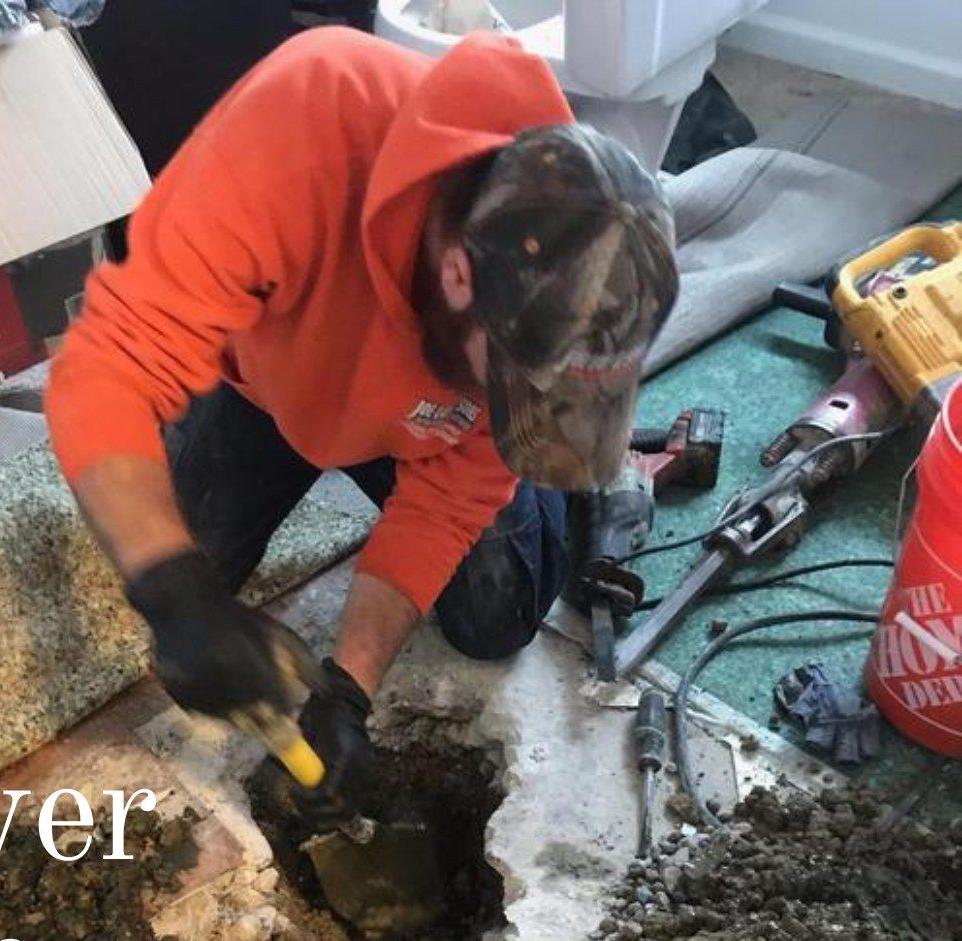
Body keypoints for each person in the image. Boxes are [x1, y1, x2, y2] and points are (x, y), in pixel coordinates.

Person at [44, 26, 678, 829]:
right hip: (272, 387)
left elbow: (452, 497)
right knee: (164, 562)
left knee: (499, 617)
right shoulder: (306, 122)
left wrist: (347, 688)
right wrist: (174, 590)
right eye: (525, 386)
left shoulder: (545, 287)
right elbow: (107, 366)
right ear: (458, 277)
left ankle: (581, 489)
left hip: (426, 419)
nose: (527, 401)